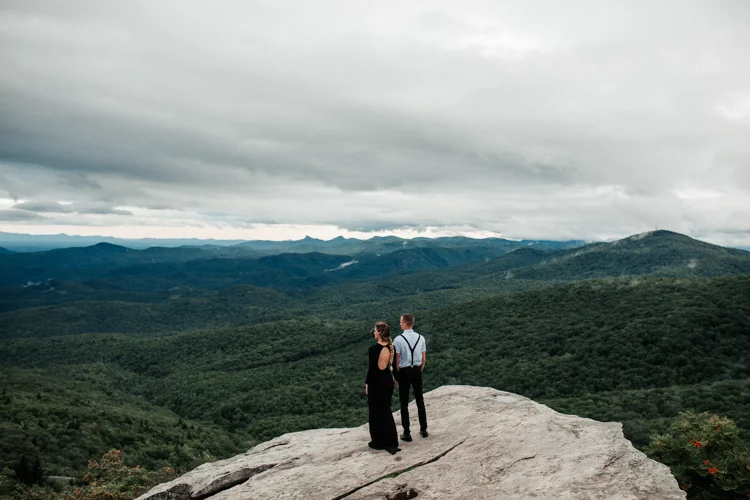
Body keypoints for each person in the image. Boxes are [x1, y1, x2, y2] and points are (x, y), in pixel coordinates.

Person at [365, 321, 400, 455]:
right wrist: (395, 378)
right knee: (386, 411)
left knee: (375, 412)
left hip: (376, 383)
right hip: (387, 383)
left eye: (375, 330)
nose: (374, 332)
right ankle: (391, 441)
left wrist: (367, 384)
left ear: (379, 333)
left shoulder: (373, 350)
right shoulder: (392, 348)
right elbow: (394, 367)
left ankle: (378, 441)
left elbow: (372, 370)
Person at [393, 313, 428, 442]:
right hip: (417, 370)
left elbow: (396, 361)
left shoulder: (398, 339)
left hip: (404, 372)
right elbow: (423, 358)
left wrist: (396, 375)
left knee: (404, 402)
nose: (400, 323)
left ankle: (407, 433)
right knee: (420, 400)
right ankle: (423, 429)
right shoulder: (421, 338)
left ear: (405, 323)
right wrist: (419, 370)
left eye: (400, 321)